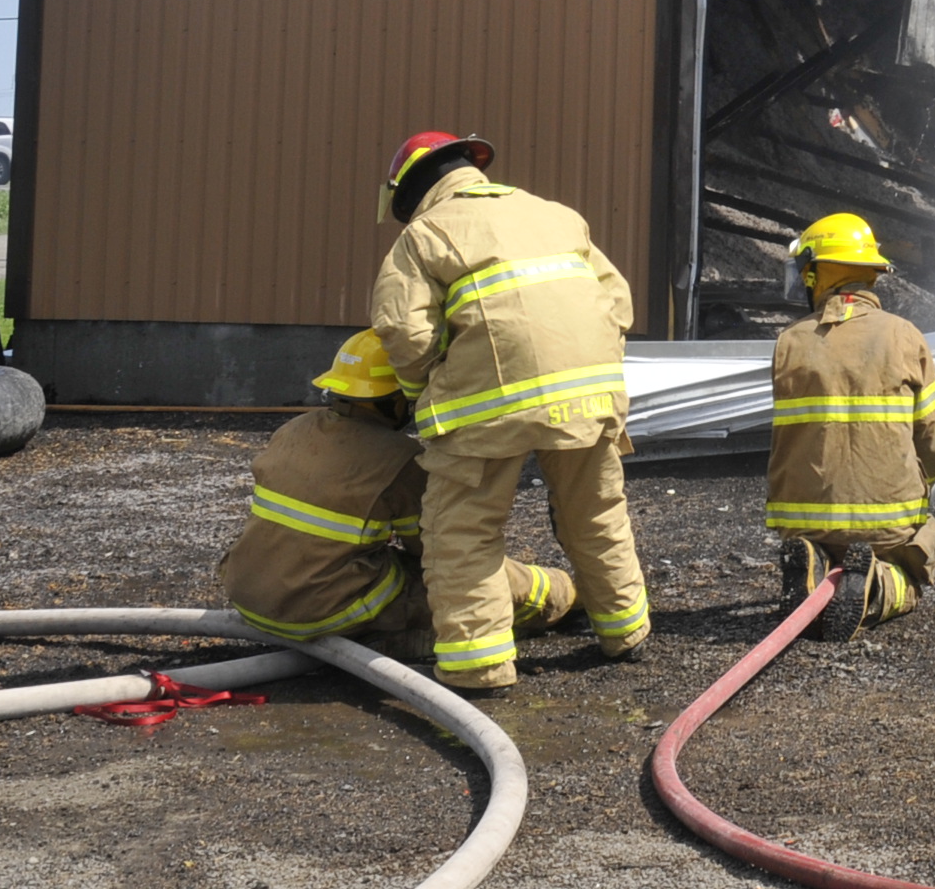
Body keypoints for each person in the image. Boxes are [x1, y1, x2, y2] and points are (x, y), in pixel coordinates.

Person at [370, 129, 648, 692]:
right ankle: (627, 632)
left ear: (411, 190)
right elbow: (617, 302)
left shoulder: (424, 234)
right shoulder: (557, 215)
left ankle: (481, 666)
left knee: (462, 531)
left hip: (487, 403)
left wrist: (424, 387)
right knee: (595, 513)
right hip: (590, 395)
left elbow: (404, 330)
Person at [217, 329, 577, 653]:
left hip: (248, 596)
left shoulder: (295, 429)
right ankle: (566, 597)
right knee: (463, 582)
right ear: (395, 398)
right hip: (321, 612)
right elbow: (440, 553)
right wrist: (551, 590)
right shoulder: (398, 460)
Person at [767, 212, 935, 641]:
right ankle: (876, 586)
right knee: (915, 568)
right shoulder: (905, 336)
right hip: (885, 529)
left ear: (820, 273)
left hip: (804, 521)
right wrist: (917, 484)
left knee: (826, 548)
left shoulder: (789, 343)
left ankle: (816, 562)